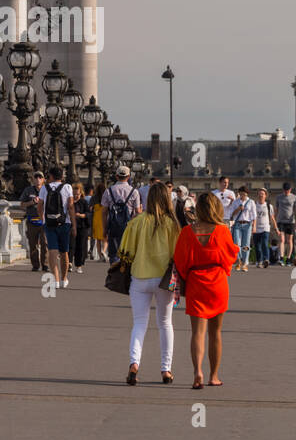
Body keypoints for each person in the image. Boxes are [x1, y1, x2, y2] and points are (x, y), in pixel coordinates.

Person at [173, 192, 238, 390]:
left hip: (196, 283)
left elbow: (180, 261)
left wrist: (189, 276)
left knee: (197, 333)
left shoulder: (187, 232)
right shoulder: (222, 230)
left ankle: (197, 372)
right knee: (215, 332)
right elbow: (230, 257)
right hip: (217, 282)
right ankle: (214, 375)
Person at [118, 184, 180, 385]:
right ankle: (166, 369)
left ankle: (134, 363)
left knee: (139, 323)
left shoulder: (137, 222)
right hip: (164, 280)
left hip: (140, 277)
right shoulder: (172, 224)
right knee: (165, 323)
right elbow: (178, 254)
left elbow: (125, 252)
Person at [39, 166, 75, 289]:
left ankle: (55, 279)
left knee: (52, 251)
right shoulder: (67, 187)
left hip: (49, 223)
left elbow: (40, 205)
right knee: (64, 251)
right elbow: (70, 206)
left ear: (51, 176)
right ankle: (64, 279)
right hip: (64, 223)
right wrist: (74, 224)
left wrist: (43, 219)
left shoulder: (44, 188)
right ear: (62, 176)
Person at [101, 166, 142, 262]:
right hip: (128, 227)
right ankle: (125, 274)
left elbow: (104, 212)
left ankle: (115, 274)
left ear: (116, 176)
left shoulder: (108, 191)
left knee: (114, 254)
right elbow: (138, 213)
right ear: (128, 177)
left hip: (113, 226)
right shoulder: (134, 192)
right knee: (128, 253)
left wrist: (104, 229)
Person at [20, 172, 47, 271]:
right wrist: (32, 202)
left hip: (44, 220)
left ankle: (45, 264)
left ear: (43, 179)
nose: (38, 179)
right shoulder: (28, 190)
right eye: (36, 177)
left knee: (45, 243)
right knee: (33, 244)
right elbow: (22, 205)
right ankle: (35, 265)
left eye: (40, 177)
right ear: (33, 179)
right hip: (32, 220)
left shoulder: (47, 190)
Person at [227, 187, 256, 271]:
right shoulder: (236, 202)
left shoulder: (251, 202)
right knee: (236, 244)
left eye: (244, 194)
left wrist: (254, 226)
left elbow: (254, 215)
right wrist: (238, 209)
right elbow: (231, 214)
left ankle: (245, 263)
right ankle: (238, 261)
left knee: (246, 244)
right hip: (237, 224)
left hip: (247, 224)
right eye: (241, 194)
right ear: (239, 193)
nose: (243, 196)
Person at [275, 182, 296, 266]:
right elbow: (276, 209)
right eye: (285, 190)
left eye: (288, 190)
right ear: (283, 190)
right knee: (282, 240)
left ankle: (289, 258)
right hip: (281, 221)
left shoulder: (294, 197)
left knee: (289, 240)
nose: (286, 192)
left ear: (290, 189)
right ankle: (282, 258)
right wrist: (275, 222)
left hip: (291, 222)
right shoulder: (279, 197)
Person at [251, 187, 279, 269]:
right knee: (257, 246)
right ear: (257, 195)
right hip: (256, 228)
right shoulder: (254, 205)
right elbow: (252, 217)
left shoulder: (269, 206)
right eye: (259, 194)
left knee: (264, 243)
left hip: (265, 228)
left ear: (265, 196)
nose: (261, 195)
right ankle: (259, 260)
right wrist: (253, 227)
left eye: (262, 194)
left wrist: (276, 228)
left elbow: (272, 218)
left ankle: (266, 259)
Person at [72, 181, 90, 273]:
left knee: (80, 247)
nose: (76, 196)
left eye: (77, 194)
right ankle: (69, 264)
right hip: (71, 226)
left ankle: (79, 265)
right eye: (74, 194)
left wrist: (81, 215)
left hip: (82, 227)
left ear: (81, 193)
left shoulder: (83, 202)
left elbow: (88, 213)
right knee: (71, 246)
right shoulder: (69, 202)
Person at [90, 182, 108, 261]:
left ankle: (100, 257)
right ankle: (104, 251)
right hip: (105, 218)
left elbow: (90, 208)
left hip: (96, 219)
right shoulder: (107, 196)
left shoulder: (94, 197)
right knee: (105, 239)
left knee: (98, 239)